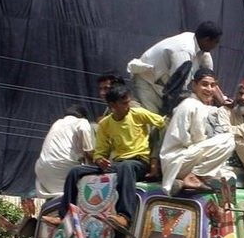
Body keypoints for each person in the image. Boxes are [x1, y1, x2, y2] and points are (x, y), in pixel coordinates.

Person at [55, 85, 165, 228]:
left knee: (127, 167)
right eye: (124, 103)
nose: (128, 106)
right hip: (117, 164)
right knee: (75, 171)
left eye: (128, 102)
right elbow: (100, 151)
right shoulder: (105, 124)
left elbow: (162, 123)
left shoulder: (138, 114)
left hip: (138, 163)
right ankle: (64, 216)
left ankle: (124, 216)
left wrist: (155, 158)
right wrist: (100, 160)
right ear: (112, 105)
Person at [159, 68, 236, 195]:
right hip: (178, 159)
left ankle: (183, 182)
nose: (209, 89)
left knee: (228, 175)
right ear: (194, 85)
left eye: (212, 85)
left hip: (191, 157)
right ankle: (193, 177)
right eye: (204, 84)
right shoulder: (190, 104)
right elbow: (194, 139)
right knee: (228, 140)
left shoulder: (203, 106)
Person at [127, 21, 226, 113]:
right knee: (153, 120)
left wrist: (222, 100)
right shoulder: (184, 51)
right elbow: (178, 87)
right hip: (148, 81)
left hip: (162, 85)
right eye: (216, 42)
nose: (216, 46)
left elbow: (210, 77)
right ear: (207, 40)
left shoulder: (199, 45)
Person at [34, 105, 94, 199]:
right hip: (63, 167)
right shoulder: (82, 121)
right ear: (83, 116)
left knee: (57, 198)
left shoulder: (57, 123)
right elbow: (88, 148)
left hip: (42, 168)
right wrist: (94, 160)